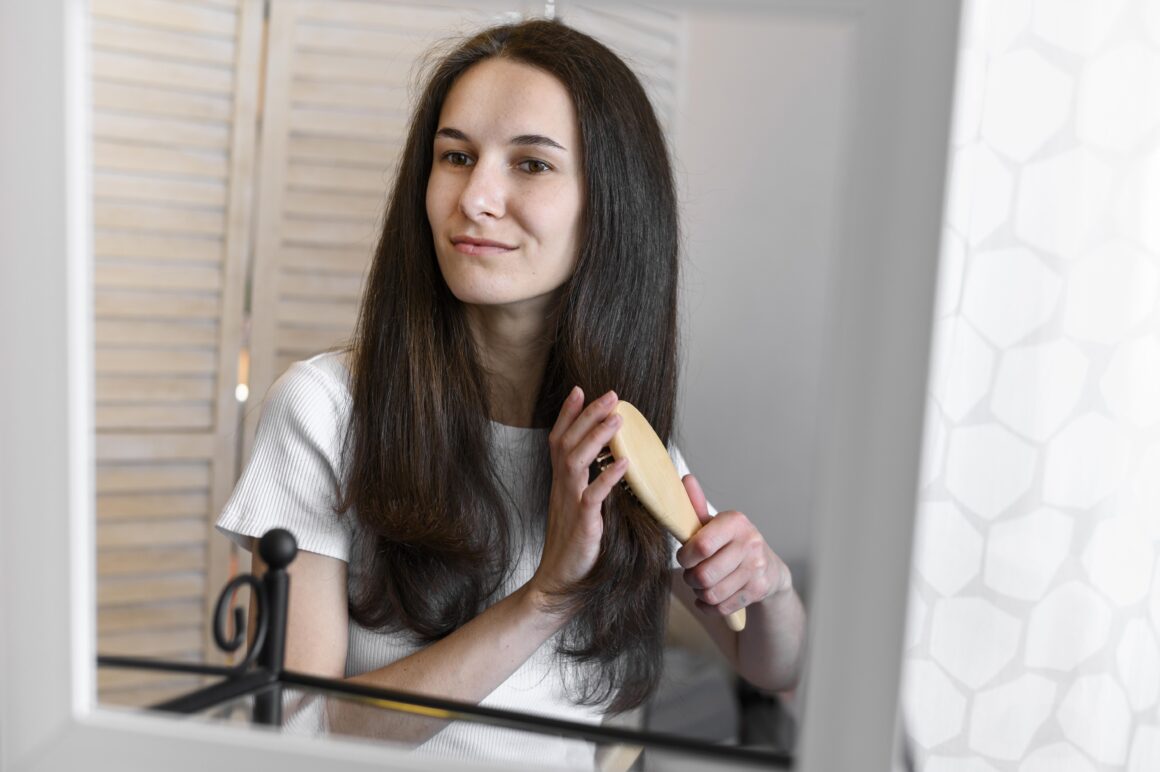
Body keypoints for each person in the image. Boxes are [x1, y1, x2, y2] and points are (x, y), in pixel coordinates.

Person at [217, 17, 804, 769]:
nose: (476, 198)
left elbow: (774, 665)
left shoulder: (617, 441)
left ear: (609, 207)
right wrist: (544, 599)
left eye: (530, 165)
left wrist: (771, 586)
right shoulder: (325, 411)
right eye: (455, 156)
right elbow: (294, 731)